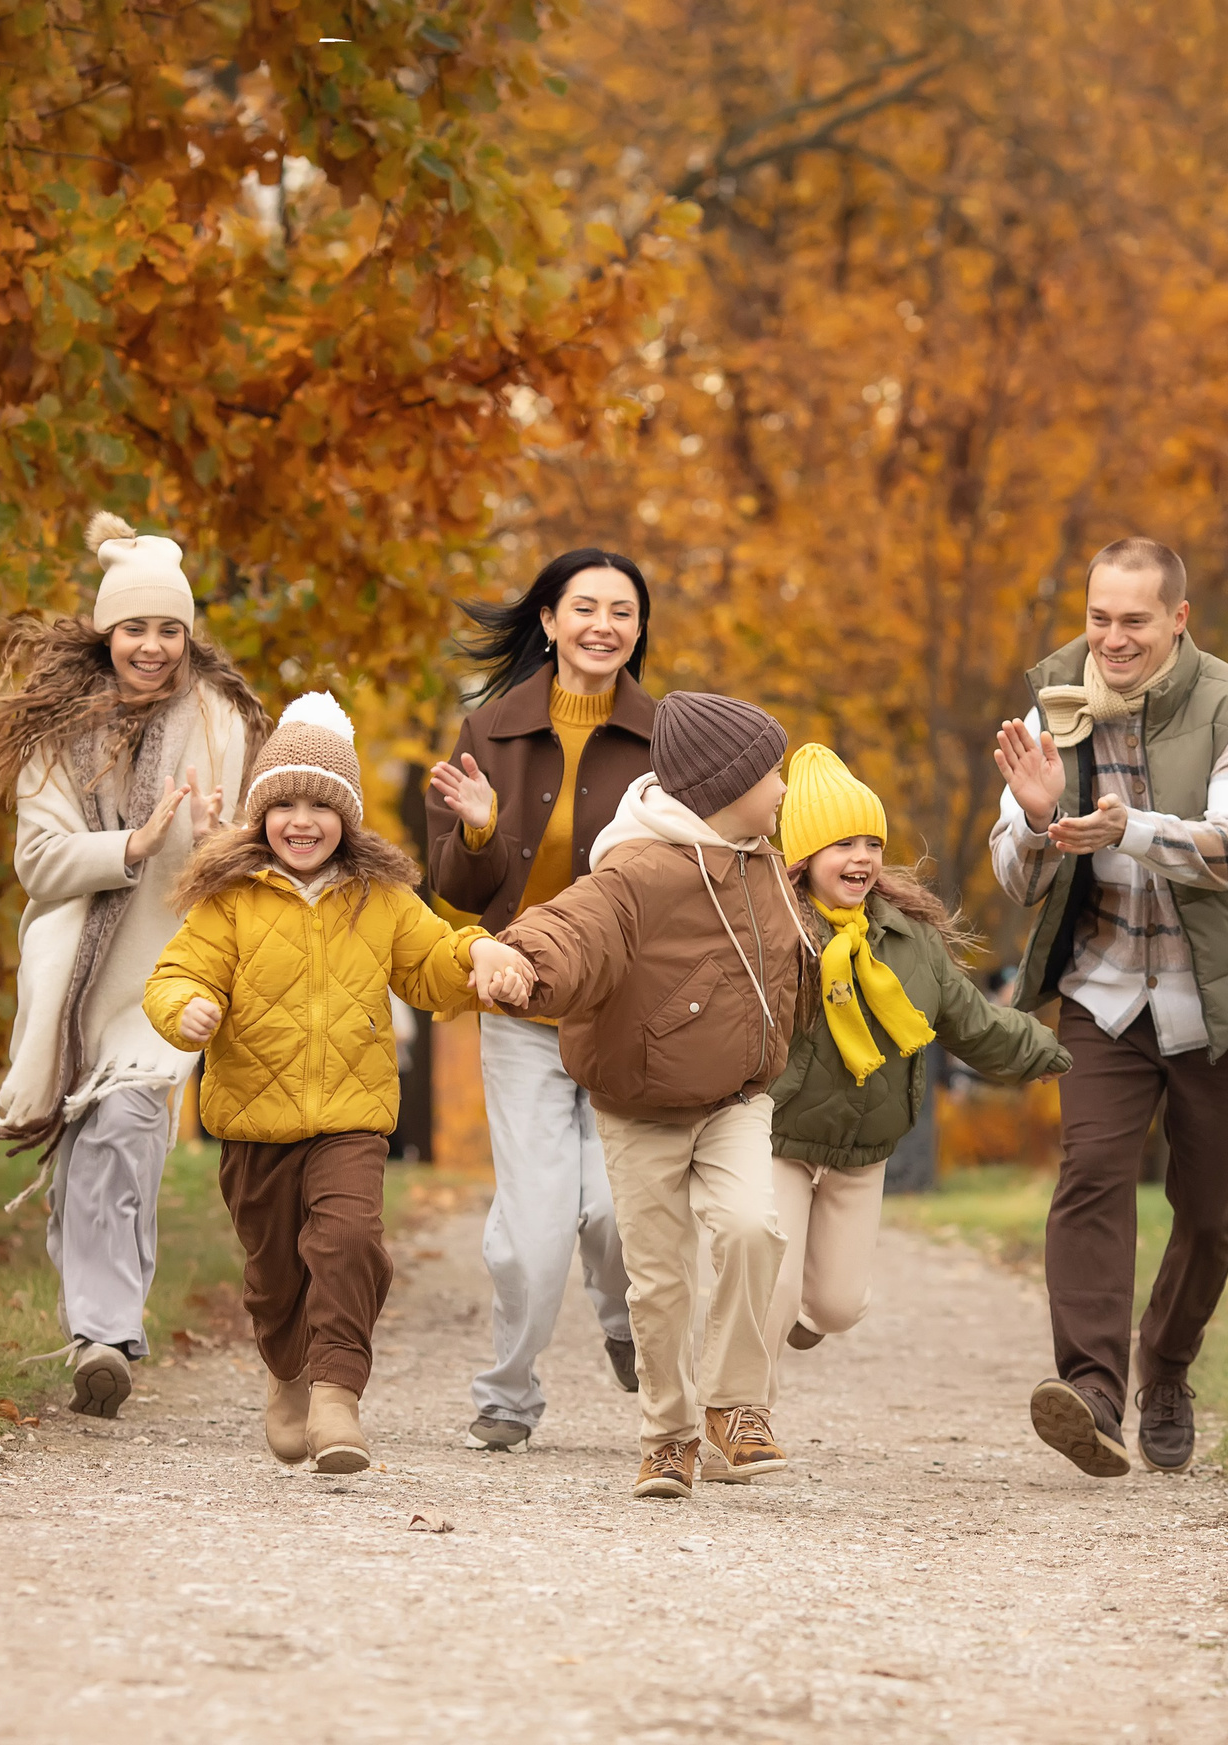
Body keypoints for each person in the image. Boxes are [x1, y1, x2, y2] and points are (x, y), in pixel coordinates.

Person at [144, 693, 534, 1471]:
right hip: (254, 1123)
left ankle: (336, 1396)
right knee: (274, 1276)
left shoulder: (380, 895)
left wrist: (477, 954)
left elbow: (430, 963)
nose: (302, 821)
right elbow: (177, 973)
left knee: (349, 1241)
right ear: (260, 814)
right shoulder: (229, 898)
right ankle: (288, 1369)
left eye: (321, 805)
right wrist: (186, 1007)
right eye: (284, 804)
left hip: (352, 1117)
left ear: (347, 816)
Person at [988, 536, 1228, 1477]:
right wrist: (1040, 821)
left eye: (1135, 620)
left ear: (1178, 618)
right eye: (1099, 618)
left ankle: (1164, 1365)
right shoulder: (1052, 704)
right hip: (1107, 987)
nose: (1113, 639)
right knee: (1090, 1175)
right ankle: (1092, 1393)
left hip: (1219, 995)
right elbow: (1016, 879)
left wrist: (1130, 828)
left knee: (1212, 1212)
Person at [0, 512, 267, 1419]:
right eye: (135, 628)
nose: (153, 646)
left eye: (169, 628)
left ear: (188, 633)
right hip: (73, 977)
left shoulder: (222, 719)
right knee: (89, 1154)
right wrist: (131, 844)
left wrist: (211, 837)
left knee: (126, 1132)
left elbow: (253, 847)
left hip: (172, 968)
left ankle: (101, 1335)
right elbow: (38, 862)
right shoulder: (57, 733)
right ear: (106, 632)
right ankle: (108, 1326)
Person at [490, 694, 808, 1501]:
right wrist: (524, 960)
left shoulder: (765, 861)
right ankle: (668, 1436)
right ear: (723, 787)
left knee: (753, 1226)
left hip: (736, 1098)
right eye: (771, 773)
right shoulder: (637, 868)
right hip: (641, 1111)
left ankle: (735, 1406)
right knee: (660, 1283)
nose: (782, 788)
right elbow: (574, 925)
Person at [425, 550, 657, 1451]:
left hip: (624, 1009)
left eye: (622, 611)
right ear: (551, 622)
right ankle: (508, 1394)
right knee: (533, 1224)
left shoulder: (666, 737)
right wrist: (481, 828)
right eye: (584, 607)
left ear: (638, 630)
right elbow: (455, 887)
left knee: (614, 1213)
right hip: (521, 1010)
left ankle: (628, 1325)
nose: (604, 625)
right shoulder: (489, 732)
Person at [762, 745, 1069, 1393]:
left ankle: (794, 1314)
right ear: (804, 856)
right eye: (844, 844)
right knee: (770, 1288)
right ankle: (741, 1413)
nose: (862, 858)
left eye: (872, 843)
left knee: (838, 1306)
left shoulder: (908, 939)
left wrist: (1043, 1051)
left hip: (862, 1146)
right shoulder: (771, 931)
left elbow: (969, 1019)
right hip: (779, 1137)